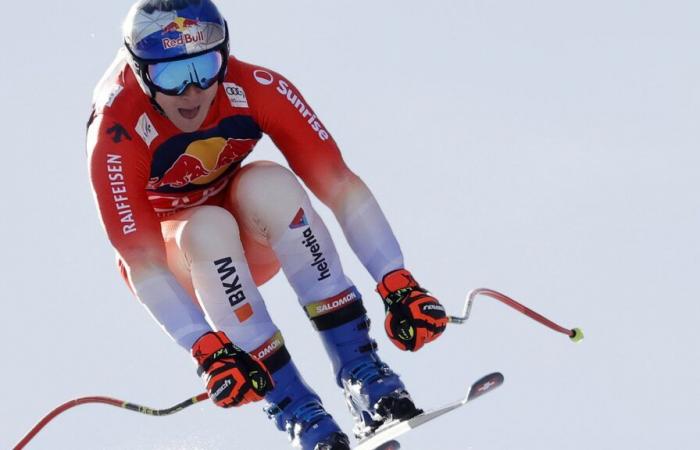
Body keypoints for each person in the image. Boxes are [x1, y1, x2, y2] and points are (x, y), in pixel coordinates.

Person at [87, 1, 449, 449]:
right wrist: (205, 350)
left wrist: (396, 280)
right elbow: (139, 259)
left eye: (205, 65)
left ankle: (365, 376)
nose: (194, 91)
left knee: (272, 185)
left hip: (252, 237)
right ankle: (300, 414)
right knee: (207, 225)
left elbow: (340, 185)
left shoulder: (254, 85)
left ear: (226, 52)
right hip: (181, 265)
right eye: (171, 76)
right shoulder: (116, 128)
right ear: (140, 72)